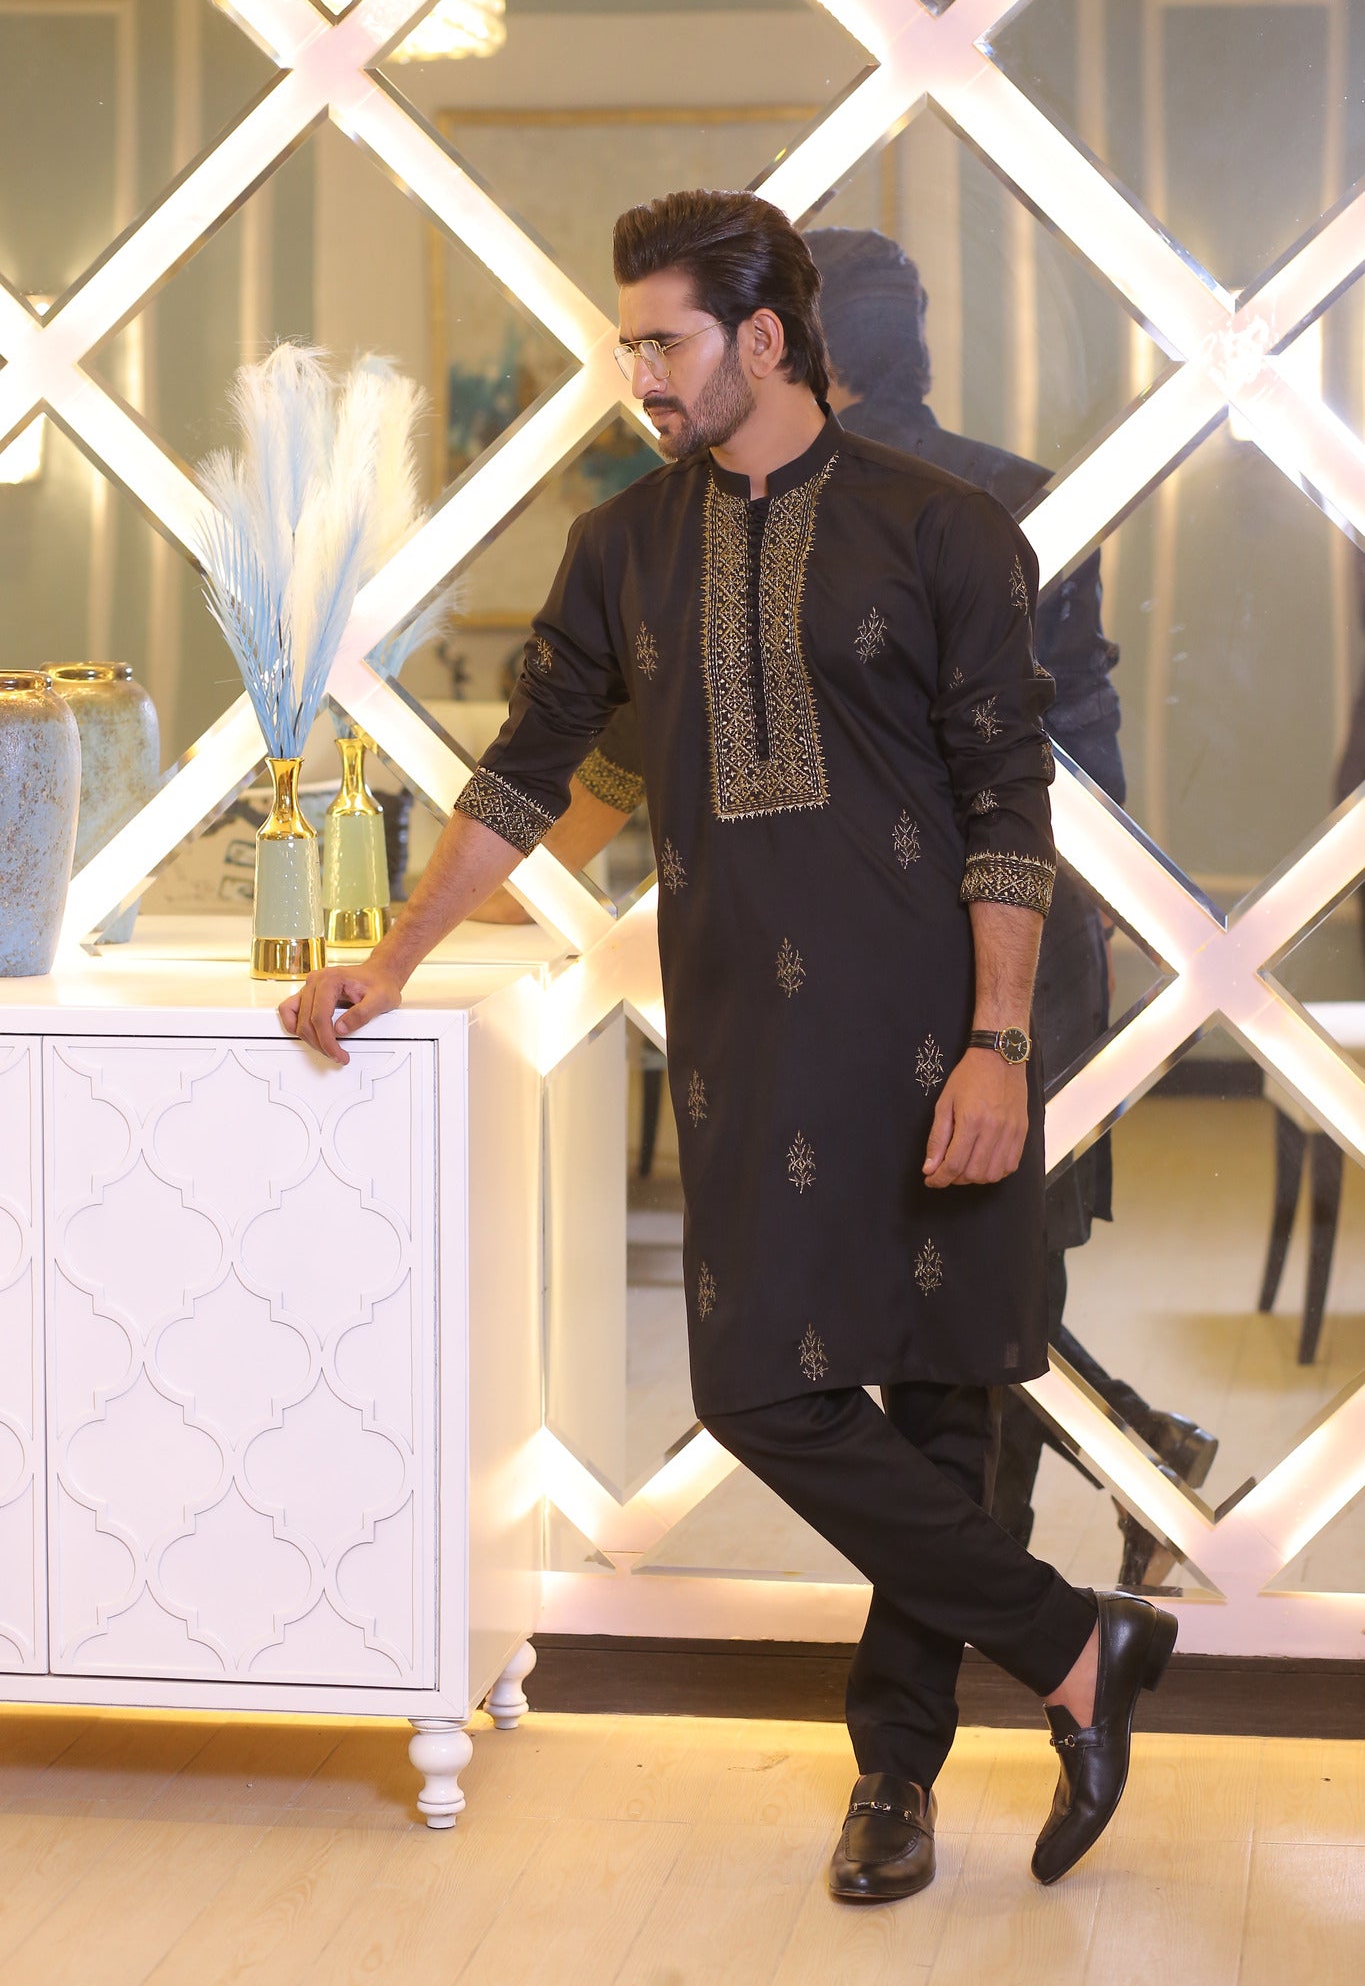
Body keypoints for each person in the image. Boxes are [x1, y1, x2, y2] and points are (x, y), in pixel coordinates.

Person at [282, 189, 1177, 1901]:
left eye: (662, 341)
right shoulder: (620, 549)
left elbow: (1010, 802)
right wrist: (388, 957)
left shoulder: (945, 528)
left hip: (950, 1027)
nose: (637, 373)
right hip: (751, 1034)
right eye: (628, 342)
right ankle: (1079, 1648)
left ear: (764, 338)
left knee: (945, 1401)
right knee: (760, 1386)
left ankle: (894, 1779)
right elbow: (526, 776)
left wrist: (1000, 1041)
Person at [479, 225, 1218, 1586]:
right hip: (997, 940)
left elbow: (1033, 756)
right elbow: (1083, 731)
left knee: (959, 1306)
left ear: (791, 339)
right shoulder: (929, 492)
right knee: (954, 1307)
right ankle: (1091, 1518)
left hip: (963, 951)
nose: (653, 370)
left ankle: (1013, 1605)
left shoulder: (916, 507)